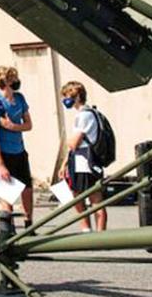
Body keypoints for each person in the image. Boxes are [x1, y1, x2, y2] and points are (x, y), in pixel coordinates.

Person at [0, 66, 34, 228]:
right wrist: (0, 164)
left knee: (27, 189)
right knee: (7, 194)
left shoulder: (20, 98)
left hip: (19, 151)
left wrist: (13, 126)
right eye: (13, 78)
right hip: (4, 154)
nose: (16, 81)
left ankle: (29, 224)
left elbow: (28, 125)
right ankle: (8, 230)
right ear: (5, 82)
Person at [58, 81, 107, 232]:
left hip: (85, 163)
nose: (65, 100)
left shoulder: (84, 116)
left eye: (67, 96)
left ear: (77, 96)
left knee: (92, 199)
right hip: (83, 161)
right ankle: (88, 228)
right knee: (82, 195)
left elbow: (74, 143)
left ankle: (96, 231)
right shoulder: (91, 113)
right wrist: (64, 164)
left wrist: (68, 142)